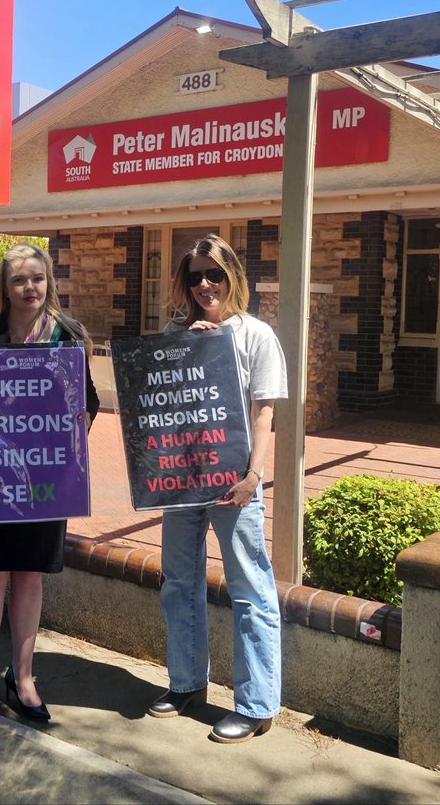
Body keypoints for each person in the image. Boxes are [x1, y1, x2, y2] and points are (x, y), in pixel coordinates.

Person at [0, 242, 98, 732]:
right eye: (19, 280)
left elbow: (88, 402)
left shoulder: (66, 335)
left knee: (30, 575)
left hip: (45, 474)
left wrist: (78, 419)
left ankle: (24, 676)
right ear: (3, 287)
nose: (29, 288)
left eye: (37, 278)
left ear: (49, 281)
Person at [145, 233, 287, 743]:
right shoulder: (174, 331)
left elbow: (263, 411)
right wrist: (191, 346)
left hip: (234, 485)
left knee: (249, 588)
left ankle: (256, 704)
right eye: (195, 276)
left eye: (215, 274)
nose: (205, 284)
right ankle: (186, 683)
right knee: (179, 582)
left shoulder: (256, 335)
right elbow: (162, 404)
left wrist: (253, 477)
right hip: (181, 482)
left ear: (233, 278)